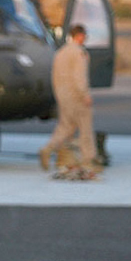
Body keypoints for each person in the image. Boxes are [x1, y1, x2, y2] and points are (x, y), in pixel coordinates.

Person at [39, 25, 101, 180]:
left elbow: (54, 77)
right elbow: (80, 77)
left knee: (66, 126)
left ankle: (48, 148)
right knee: (85, 127)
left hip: (63, 96)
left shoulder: (60, 53)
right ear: (79, 36)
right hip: (76, 96)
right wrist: (85, 94)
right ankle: (89, 160)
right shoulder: (79, 53)